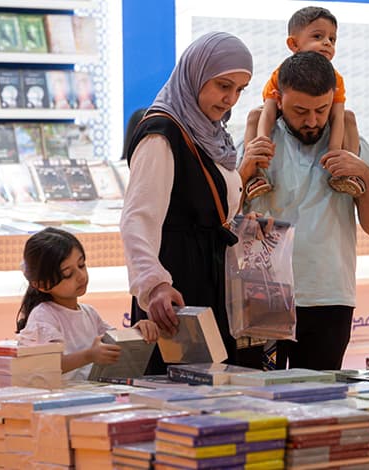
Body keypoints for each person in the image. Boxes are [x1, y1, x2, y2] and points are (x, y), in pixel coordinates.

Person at [120, 32, 267, 373]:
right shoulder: (162, 133)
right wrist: (154, 285)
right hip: (176, 289)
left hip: (213, 281)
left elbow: (214, 208)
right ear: (196, 75)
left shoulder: (210, 132)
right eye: (222, 85)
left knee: (215, 396)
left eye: (239, 89)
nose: (230, 98)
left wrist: (244, 226)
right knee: (178, 398)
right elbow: (137, 219)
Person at [243, 51, 369, 371]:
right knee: (254, 404)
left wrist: (365, 175)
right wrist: (243, 173)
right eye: (300, 111)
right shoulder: (254, 141)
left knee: (320, 407)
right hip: (260, 296)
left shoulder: (352, 145)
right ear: (278, 100)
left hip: (329, 299)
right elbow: (221, 217)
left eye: (321, 110)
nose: (312, 120)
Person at [243, 6, 363, 200]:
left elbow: (338, 115)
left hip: (336, 146)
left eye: (332, 39)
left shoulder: (336, 79)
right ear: (293, 43)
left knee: (348, 116)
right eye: (318, 37)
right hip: (279, 121)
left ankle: (347, 172)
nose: (327, 43)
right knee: (255, 114)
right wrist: (262, 147)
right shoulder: (280, 74)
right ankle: (256, 175)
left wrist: (335, 154)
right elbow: (269, 111)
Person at [16, 228, 159, 381]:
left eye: (81, 265)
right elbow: (44, 365)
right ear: (42, 284)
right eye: (67, 274)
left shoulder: (89, 313)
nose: (80, 276)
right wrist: (89, 355)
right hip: (64, 399)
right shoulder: (44, 316)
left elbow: (114, 343)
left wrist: (137, 332)